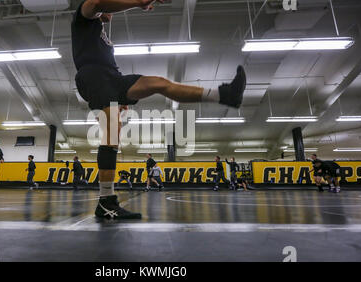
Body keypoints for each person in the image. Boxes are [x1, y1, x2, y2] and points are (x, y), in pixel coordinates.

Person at [71, 0, 246, 219]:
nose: (111, 14)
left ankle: (224, 95)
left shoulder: (102, 36)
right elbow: (97, 3)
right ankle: (106, 201)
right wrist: (139, 2)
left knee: (159, 83)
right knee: (111, 134)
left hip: (113, 79)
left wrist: (120, 95)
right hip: (94, 77)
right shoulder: (83, 14)